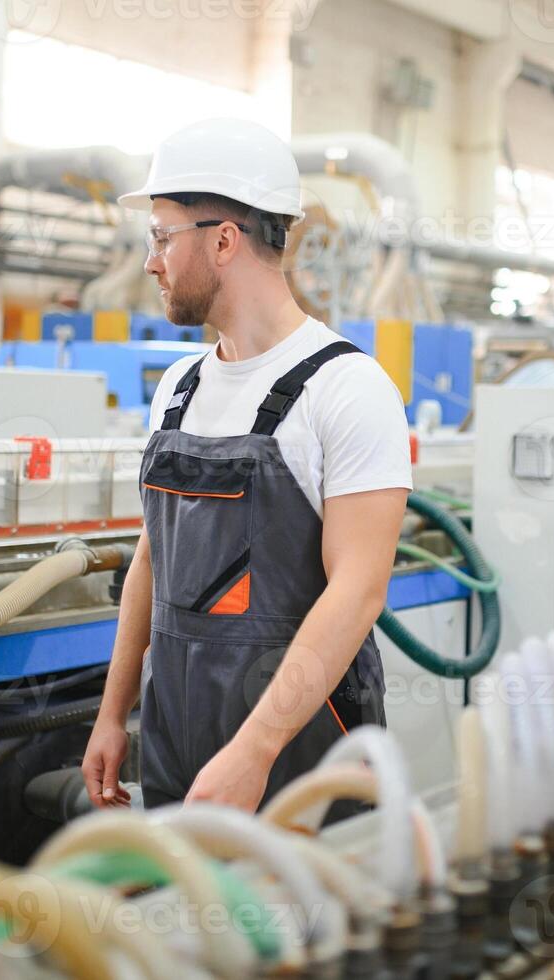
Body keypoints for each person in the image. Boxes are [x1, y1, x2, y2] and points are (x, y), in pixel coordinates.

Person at [81, 118, 413, 813]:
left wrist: (255, 750)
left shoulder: (345, 389)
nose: (151, 261)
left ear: (223, 240)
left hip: (300, 753)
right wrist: (114, 715)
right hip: (178, 736)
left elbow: (358, 592)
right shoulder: (179, 389)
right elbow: (151, 558)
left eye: (162, 237)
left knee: (305, 919)